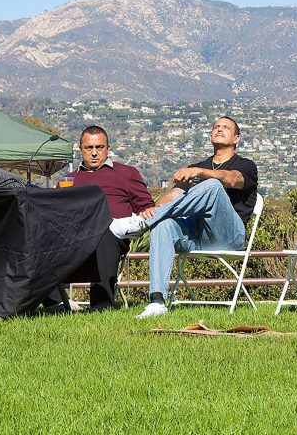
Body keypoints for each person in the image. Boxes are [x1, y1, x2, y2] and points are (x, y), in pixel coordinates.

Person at [109, 117, 257, 319]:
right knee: (164, 225)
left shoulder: (246, 166)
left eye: (226, 127)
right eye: (216, 127)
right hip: (197, 236)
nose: (220, 129)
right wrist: (153, 210)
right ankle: (157, 302)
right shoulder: (197, 166)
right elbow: (173, 196)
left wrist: (200, 173)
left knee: (213, 185)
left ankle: (143, 225)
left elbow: (231, 179)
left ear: (236, 138)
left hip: (230, 237)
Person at [61, 125, 154, 311]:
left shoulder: (126, 174)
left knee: (104, 233)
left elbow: (146, 206)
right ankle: (55, 302)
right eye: (89, 148)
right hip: (75, 238)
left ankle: (101, 305)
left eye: (99, 147)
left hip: (110, 235)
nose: (94, 153)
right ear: (81, 150)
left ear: (107, 148)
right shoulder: (68, 179)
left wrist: (148, 211)